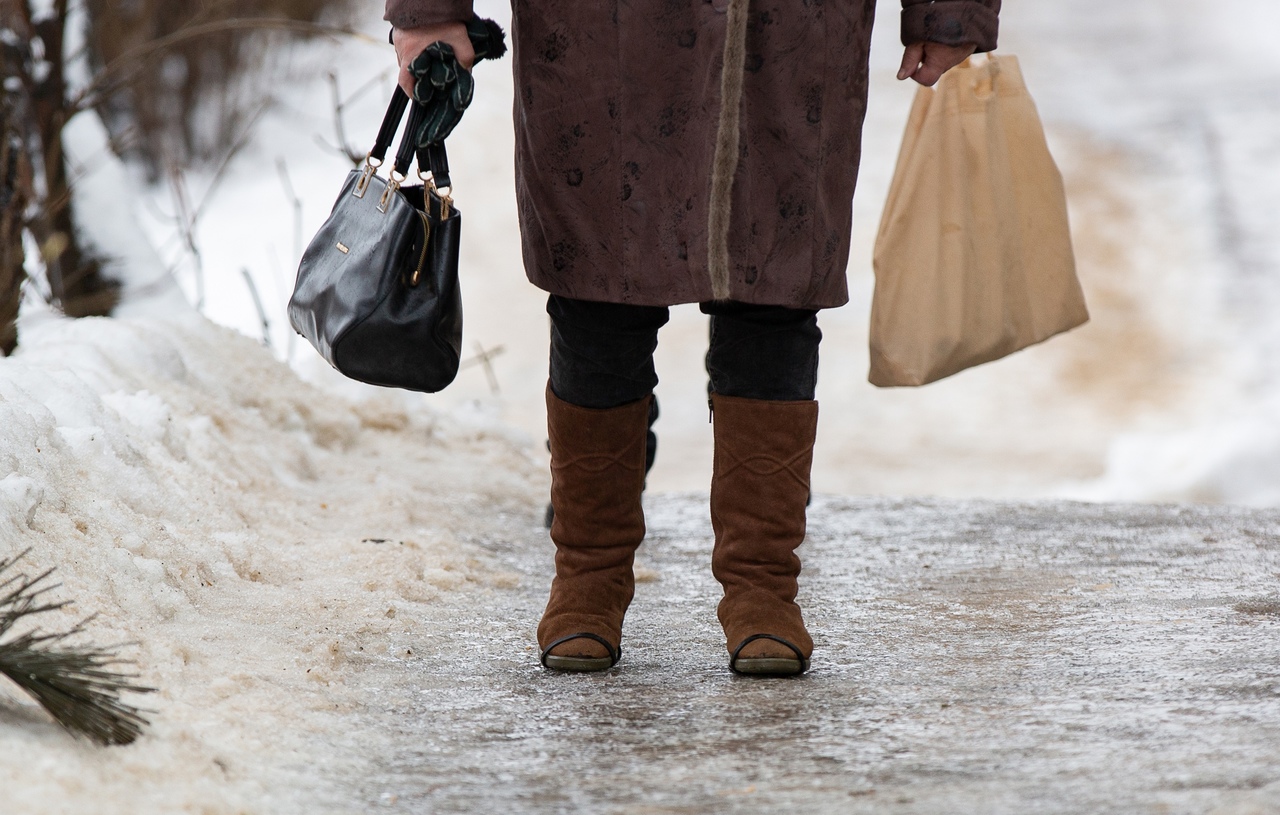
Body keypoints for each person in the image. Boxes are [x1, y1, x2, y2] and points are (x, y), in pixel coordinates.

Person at [386, 0, 1001, 676]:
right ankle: (588, 575)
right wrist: (428, 11)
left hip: (793, 31)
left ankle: (764, 587)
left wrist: (951, 11)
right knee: (596, 293)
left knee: (776, 288)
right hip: (598, 34)